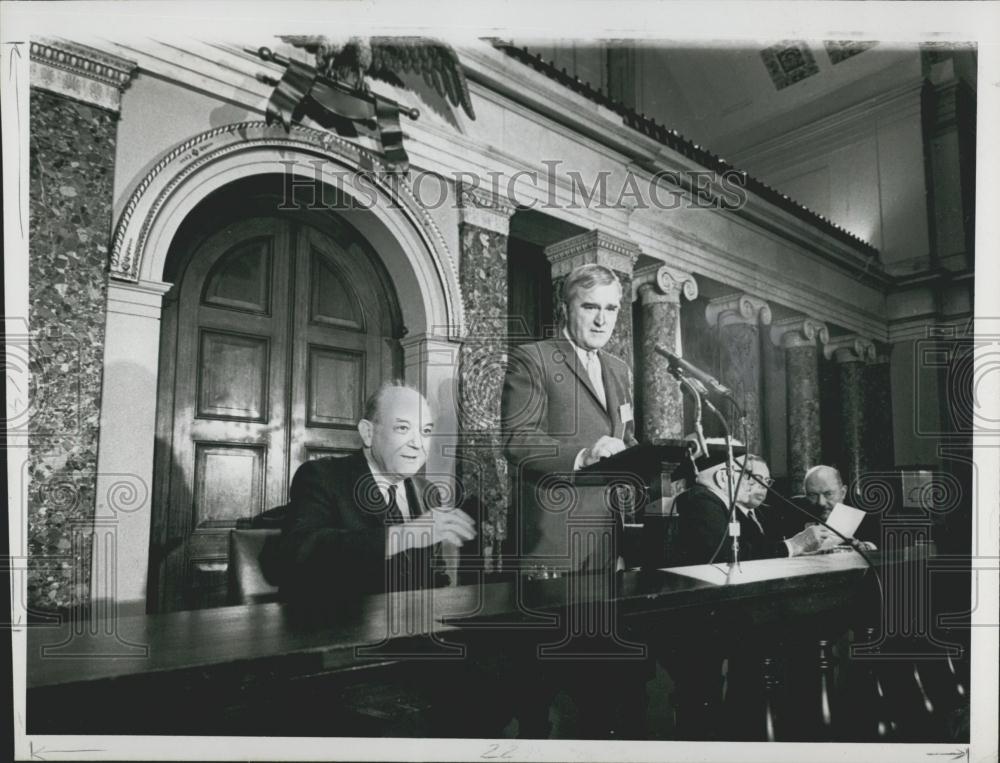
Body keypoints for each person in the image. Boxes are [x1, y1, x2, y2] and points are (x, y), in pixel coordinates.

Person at [278, 382, 476, 607]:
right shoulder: (323, 476)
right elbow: (299, 554)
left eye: (426, 431)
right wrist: (404, 535)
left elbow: (435, 577)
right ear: (368, 432)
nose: (418, 444)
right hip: (340, 630)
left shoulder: (427, 492)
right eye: (403, 428)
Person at [501, 263, 638, 573]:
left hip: (608, 539)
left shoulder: (619, 369)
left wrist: (660, 455)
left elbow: (625, 439)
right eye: (590, 306)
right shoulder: (533, 358)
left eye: (611, 308)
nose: (603, 320)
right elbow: (518, 439)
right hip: (553, 538)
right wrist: (583, 456)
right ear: (565, 308)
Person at [672, 451, 840, 567]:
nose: (757, 485)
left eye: (766, 481)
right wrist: (794, 545)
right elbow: (726, 557)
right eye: (747, 476)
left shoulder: (721, 502)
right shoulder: (702, 499)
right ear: (723, 477)